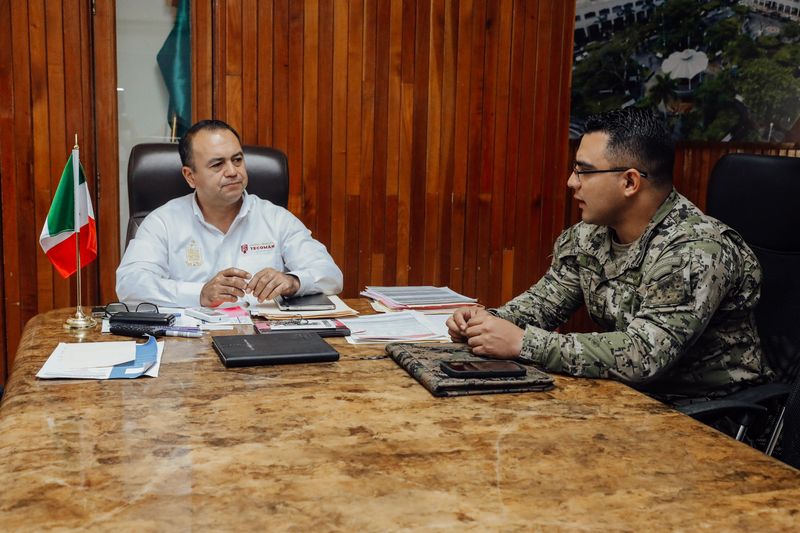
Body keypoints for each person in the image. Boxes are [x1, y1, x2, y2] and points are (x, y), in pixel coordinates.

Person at [446, 108, 772, 403]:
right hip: (625, 397)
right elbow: (544, 303)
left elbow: (645, 355)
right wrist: (487, 321)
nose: (571, 183)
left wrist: (524, 343)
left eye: (583, 172)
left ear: (629, 181)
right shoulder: (589, 235)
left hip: (708, 413)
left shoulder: (695, 247)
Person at [116, 119, 343, 308]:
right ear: (190, 176)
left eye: (237, 160)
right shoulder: (162, 222)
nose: (233, 172)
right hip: (190, 346)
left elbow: (331, 275)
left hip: (264, 343)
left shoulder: (275, 218)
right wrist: (199, 294)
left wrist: (294, 281)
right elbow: (129, 284)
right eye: (217, 164)